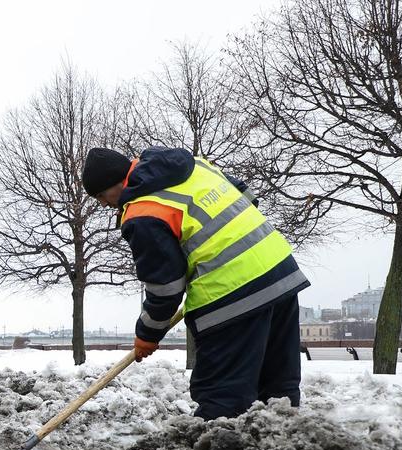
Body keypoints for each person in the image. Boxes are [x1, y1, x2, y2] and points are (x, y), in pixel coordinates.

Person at [81, 146, 310, 420]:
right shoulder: (197, 166)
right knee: (278, 387)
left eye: (101, 196)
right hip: (279, 270)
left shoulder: (142, 213)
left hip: (230, 295)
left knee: (222, 395)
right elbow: (248, 198)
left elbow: (165, 287)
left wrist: (148, 334)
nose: (104, 205)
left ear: (116, 184)